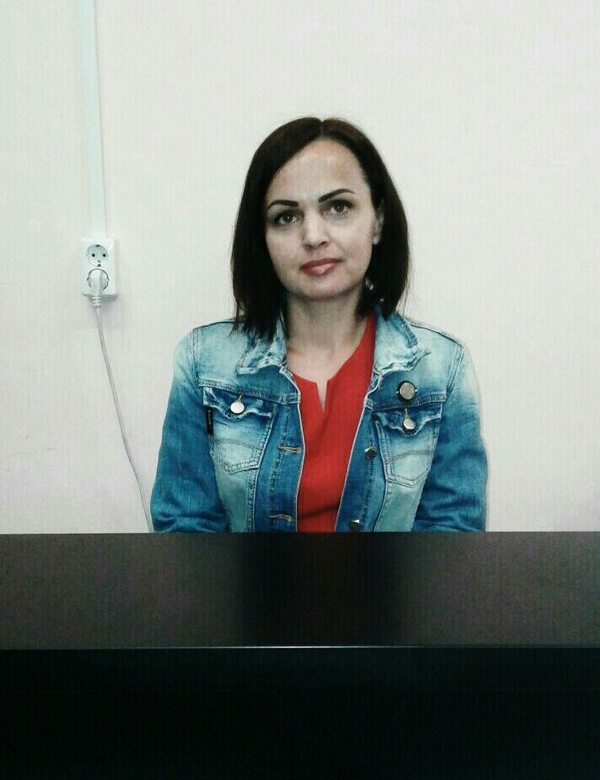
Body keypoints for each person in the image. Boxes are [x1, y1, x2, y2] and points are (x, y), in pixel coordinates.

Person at [151, 117, 487, 532]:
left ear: (378, 221)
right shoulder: (204, 364)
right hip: (244, 580)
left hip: (393, 581)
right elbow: (186, 531)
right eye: (286, 217)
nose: (313, 235)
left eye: (338, 207)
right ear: (262, 239)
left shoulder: (440, 369)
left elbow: (451, 534)